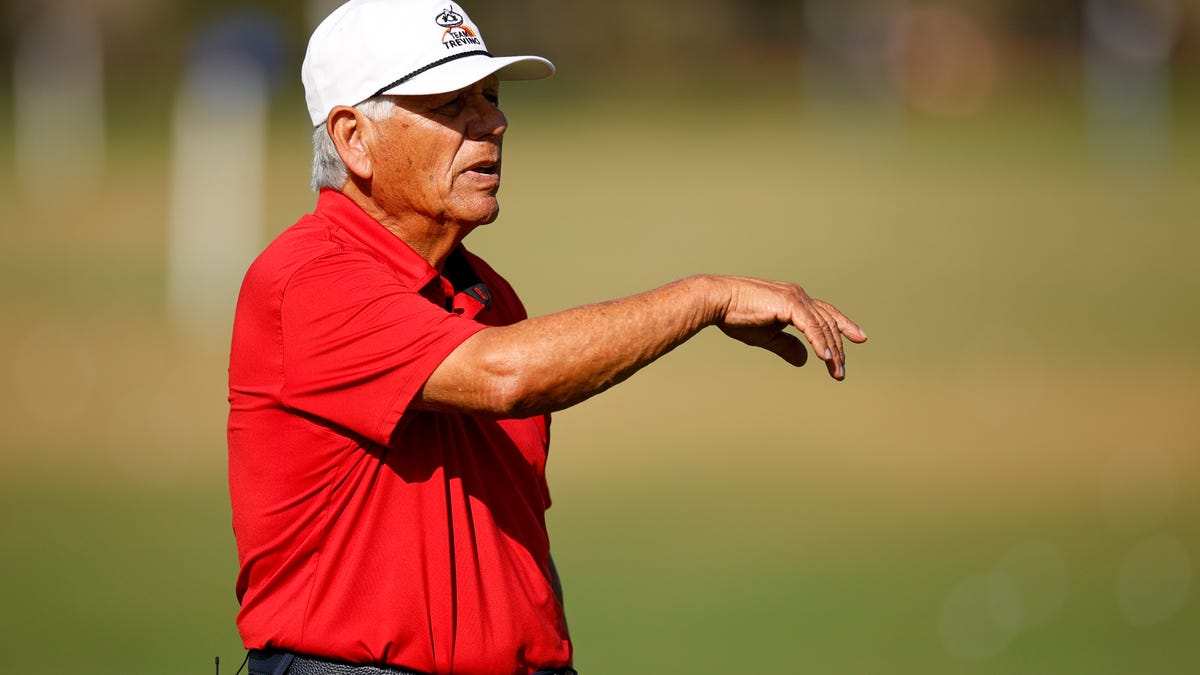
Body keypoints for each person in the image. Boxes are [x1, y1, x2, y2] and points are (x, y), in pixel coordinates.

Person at [226, 1, 867, 674]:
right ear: (354, 137)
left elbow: (515, 527)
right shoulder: (306, 279)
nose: (493, 122)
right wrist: (707, 296)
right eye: (453, 104)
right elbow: (502, 376)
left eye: (492, 97)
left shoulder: (491, 297)